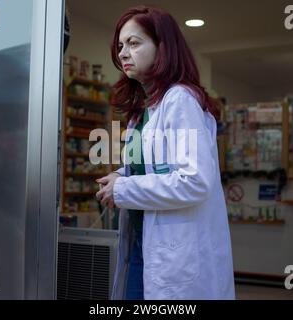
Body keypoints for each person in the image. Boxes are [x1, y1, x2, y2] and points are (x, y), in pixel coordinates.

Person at [96, 5, 235, 300]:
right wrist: (121, 175)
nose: (122, 53)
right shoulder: (144, 109)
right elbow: (156, 166)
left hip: (173, 253)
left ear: (163, 49)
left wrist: (124, 188)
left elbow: (194, 180)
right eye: (120, 46)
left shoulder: (179, 99)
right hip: (142, 243)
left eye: (134, 43)